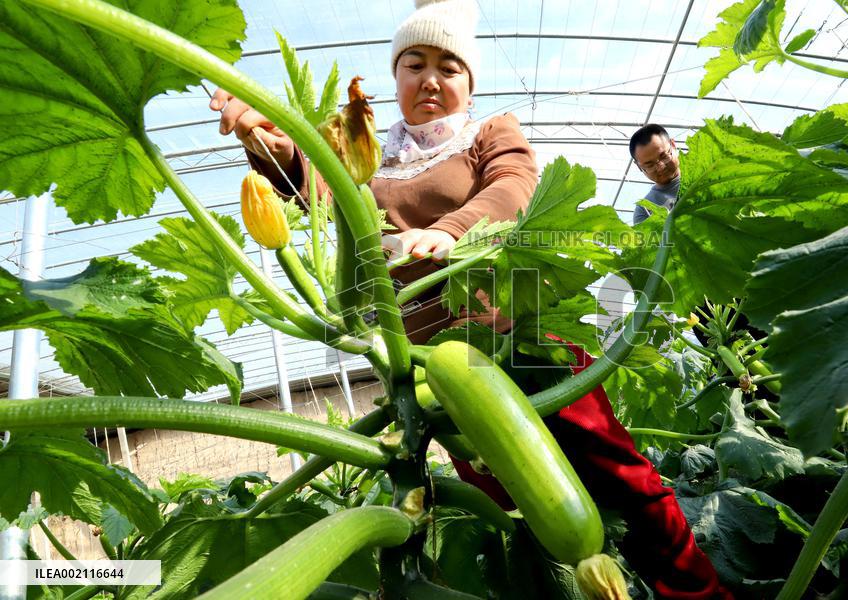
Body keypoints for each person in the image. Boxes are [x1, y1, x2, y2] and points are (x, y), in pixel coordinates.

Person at [211, 1, 728, 597]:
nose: (430, 78)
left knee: (623, 478)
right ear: (396, 76)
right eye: (414, 63)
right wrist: (267, 138)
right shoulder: (369, 162)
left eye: (448, 66)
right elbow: (314, 189)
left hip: (521, 334)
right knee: (508, 507)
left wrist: (449, 232)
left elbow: (514, 186)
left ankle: (699, 592)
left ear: (468, 81)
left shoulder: (488, 131)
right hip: (442, 369)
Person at [630, 124, 681, 226]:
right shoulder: (644, 210)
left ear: (673, 145)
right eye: (650, 165)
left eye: (664, 156)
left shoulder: (705, 172)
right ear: (639, 167)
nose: (661, 167)